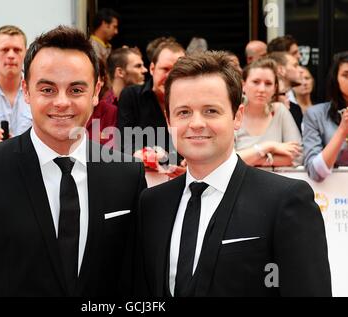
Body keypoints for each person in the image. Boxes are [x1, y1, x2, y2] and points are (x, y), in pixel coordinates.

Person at [0, 26, 147, 297]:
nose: (61, 102)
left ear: (96, 92)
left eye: (76, 89)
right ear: (26, 91)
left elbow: (136, 281)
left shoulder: (127, 175)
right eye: (47, 89)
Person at [135, 51, 331, 297]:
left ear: (237, 116)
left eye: (210, 111)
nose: (196, 123)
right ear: (168, 120)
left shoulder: (285, 200)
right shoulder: (152, 204)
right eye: (183, 112)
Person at [117, 41, 185, 171]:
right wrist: (146, 156)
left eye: (177, 71)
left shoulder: (191, 102)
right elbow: (124, 143)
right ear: (152, 69)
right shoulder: (131, 95)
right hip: (141, 176)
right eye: (165, 69)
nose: (170, 76)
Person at [235, 58, 302, 167]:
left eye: (268, 83)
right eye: (256, 82)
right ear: (243, 85)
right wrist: (269, 147)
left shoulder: (280, 111)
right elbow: (226, 161)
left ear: (275, 88)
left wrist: (258, 160)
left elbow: (297, 157)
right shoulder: (232, 114)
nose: (262, 89)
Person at [87, 47, 147, 146]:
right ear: (120, 72)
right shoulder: (104, 107)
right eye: (138, 66)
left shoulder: (143, 102)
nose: (145, 70)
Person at [303, 51, 348, 182]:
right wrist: (342, 131)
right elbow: (315, 172)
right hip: (332, 196)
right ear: (335, 79)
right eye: (346, 75)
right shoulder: (315, 115)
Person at [269, 51, 303, 132]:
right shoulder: (261, 105)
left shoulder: (295, 108)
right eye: (295, 65)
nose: (301, 70)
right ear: (280, 70)